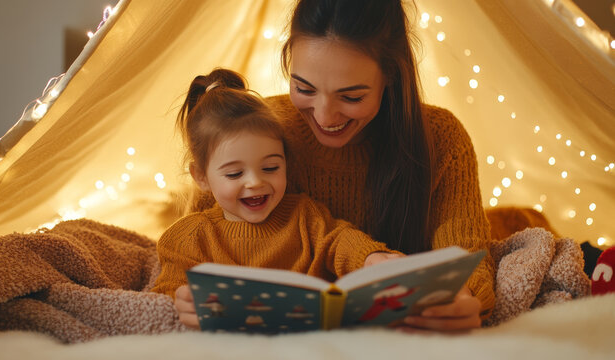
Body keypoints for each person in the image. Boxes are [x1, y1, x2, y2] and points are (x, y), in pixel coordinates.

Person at [186, 0, 496, 331]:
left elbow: (466, 256)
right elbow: (199, 240)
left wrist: (467, 297)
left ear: (390, 74)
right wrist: (187, 295)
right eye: (304, 88)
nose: (324, 116)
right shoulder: (259, 132)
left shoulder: (441, 138)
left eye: (351, 97)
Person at [151, 68, 400, 329]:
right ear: (201, 177)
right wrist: (184, 302)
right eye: (235, 173)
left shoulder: (304, 215)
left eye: (270, 168)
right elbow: (168, 294)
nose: (256, 182)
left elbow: (339, 240)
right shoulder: (189, 237)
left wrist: (371, 258)